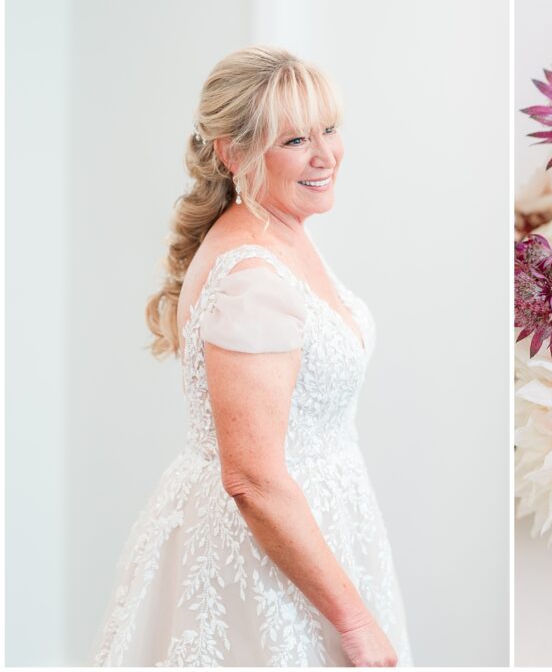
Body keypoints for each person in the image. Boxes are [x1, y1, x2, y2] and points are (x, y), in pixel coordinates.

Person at [91, 46, 413, 666]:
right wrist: (352, 621)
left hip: (323, 526)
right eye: (294, 139)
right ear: (232, 152)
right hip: (263, 562)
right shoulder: (252, 279)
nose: (325, 155)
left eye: (329, 128)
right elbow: (254, 480)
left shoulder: (283, 228)